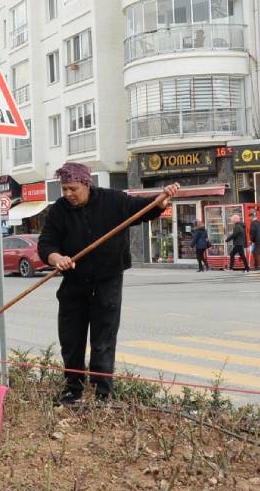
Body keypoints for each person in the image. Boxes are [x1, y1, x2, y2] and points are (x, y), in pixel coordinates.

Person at [37, 162, 179, 405]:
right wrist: (56, 258)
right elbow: (46, 243)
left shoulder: (113, 200)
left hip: (108, 280)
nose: (68, 194)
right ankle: (73, 389)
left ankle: (103, 393)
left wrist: (161, 199)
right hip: (74, 283)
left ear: (86, 183)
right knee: (71, 339)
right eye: (64, 189)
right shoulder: (59, 210)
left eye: (73, 188)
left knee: (103, 339)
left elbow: (143, 209)